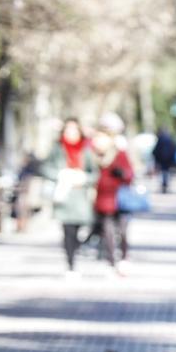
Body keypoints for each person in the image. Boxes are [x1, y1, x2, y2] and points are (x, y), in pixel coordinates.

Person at [43, 118, 96, 276]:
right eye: (68, 130)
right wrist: (60, 175)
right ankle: (71, 264)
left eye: (74, 130)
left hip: (81, 196)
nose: (71, 133)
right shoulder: (57, 149)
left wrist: (83, 178)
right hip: (64, 194)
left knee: (83, 229)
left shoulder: (86, 150)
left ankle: (79, 248)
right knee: (68, 231)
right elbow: (46, 168)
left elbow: (94, 173)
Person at [91, 113, 134, 276]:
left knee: (122, 230)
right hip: (104, 197)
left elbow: (129, 173)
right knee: (107, 230)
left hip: (120, 197)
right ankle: (111, 260)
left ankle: (123, 257)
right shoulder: (95, 152)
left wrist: (122, 173)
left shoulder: (120, 151)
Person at [152, 127, 176, 194]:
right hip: (168, 159)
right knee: (167, 172)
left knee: (163, 172)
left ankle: (164, 185)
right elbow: (174, 149)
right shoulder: (170, 139)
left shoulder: (160, 139)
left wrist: (156, 158)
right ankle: (165, 184)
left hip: (162, 159)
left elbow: (156, 150)